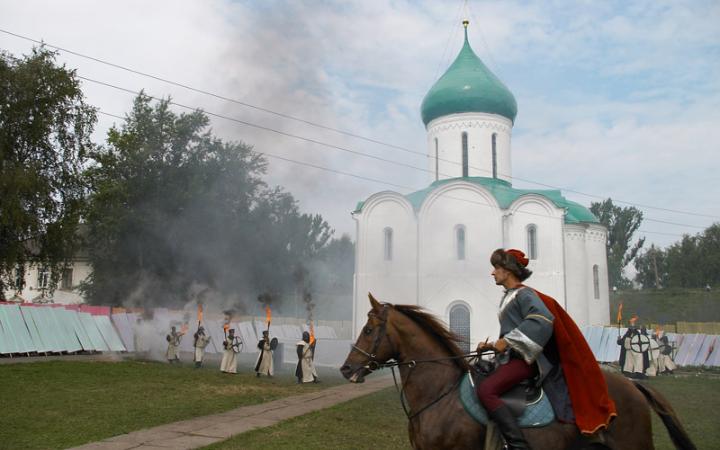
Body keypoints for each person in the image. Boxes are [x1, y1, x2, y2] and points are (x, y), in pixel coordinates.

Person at [476, 248, 616, 450]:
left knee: (486, 390)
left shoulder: (524, 295)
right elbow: (515, 329)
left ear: (508, 270)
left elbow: (541, 320)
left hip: (525, 362)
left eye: (496, 268)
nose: (493, 272)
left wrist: (506, 342)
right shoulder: (510, 296)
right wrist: (490, 345)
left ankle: (517, 445)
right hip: (511, 358)